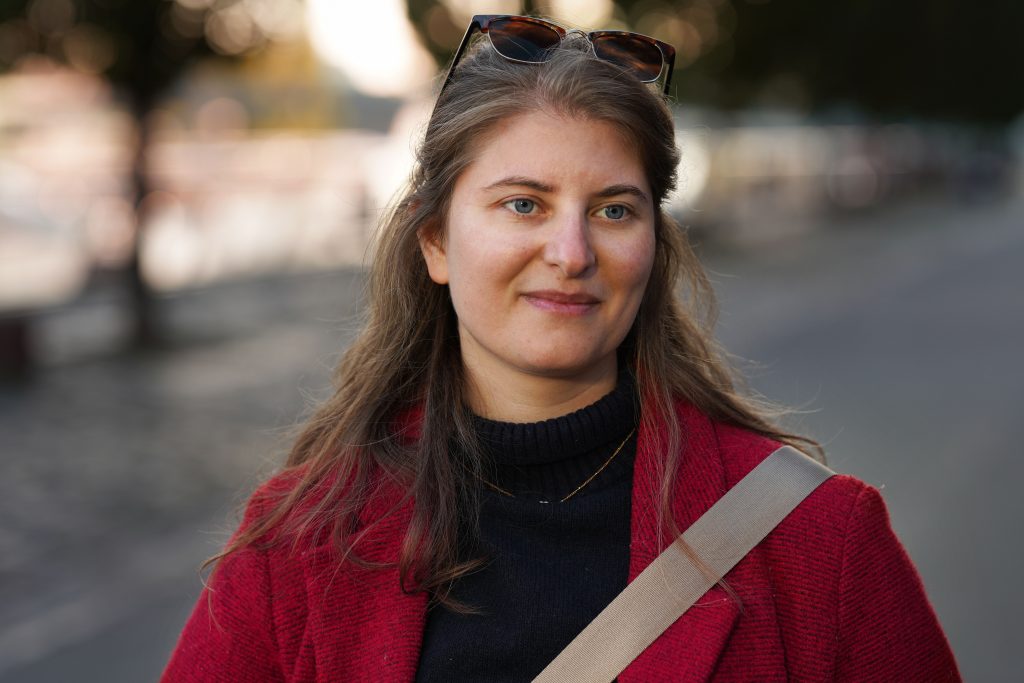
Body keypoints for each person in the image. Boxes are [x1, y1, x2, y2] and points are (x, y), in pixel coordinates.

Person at [162, 15, 960, 682]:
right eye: (523, 204)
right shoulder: (300, 544)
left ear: (654, 239)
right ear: (435, 241)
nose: (572, 251)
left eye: (614, 210)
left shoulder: (821, 539)